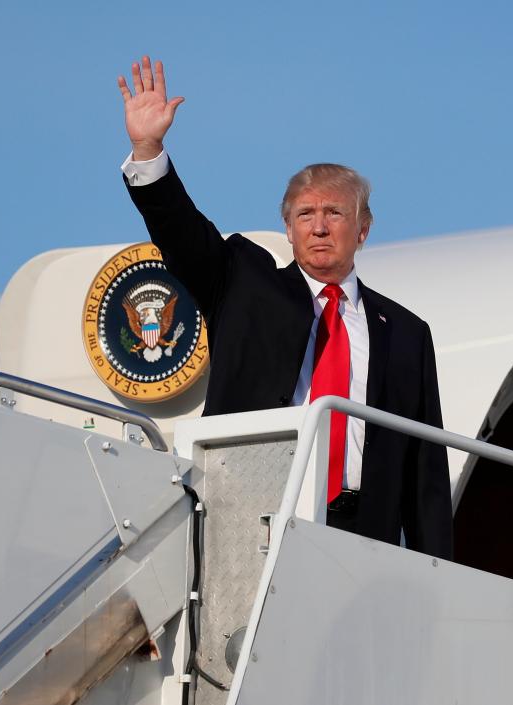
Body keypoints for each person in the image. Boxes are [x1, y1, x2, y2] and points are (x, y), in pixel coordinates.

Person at [117, 56, 452, 559]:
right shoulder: (245, 282)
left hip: (365, 535)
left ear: (362, 229)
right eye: (305, 215)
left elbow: (425, 470)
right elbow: (181, 231)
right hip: (255, 514)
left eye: (335, 213)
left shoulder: (405, 332)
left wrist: (437, 571)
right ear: (289, 227)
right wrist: (148, 149)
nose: (319, 227)